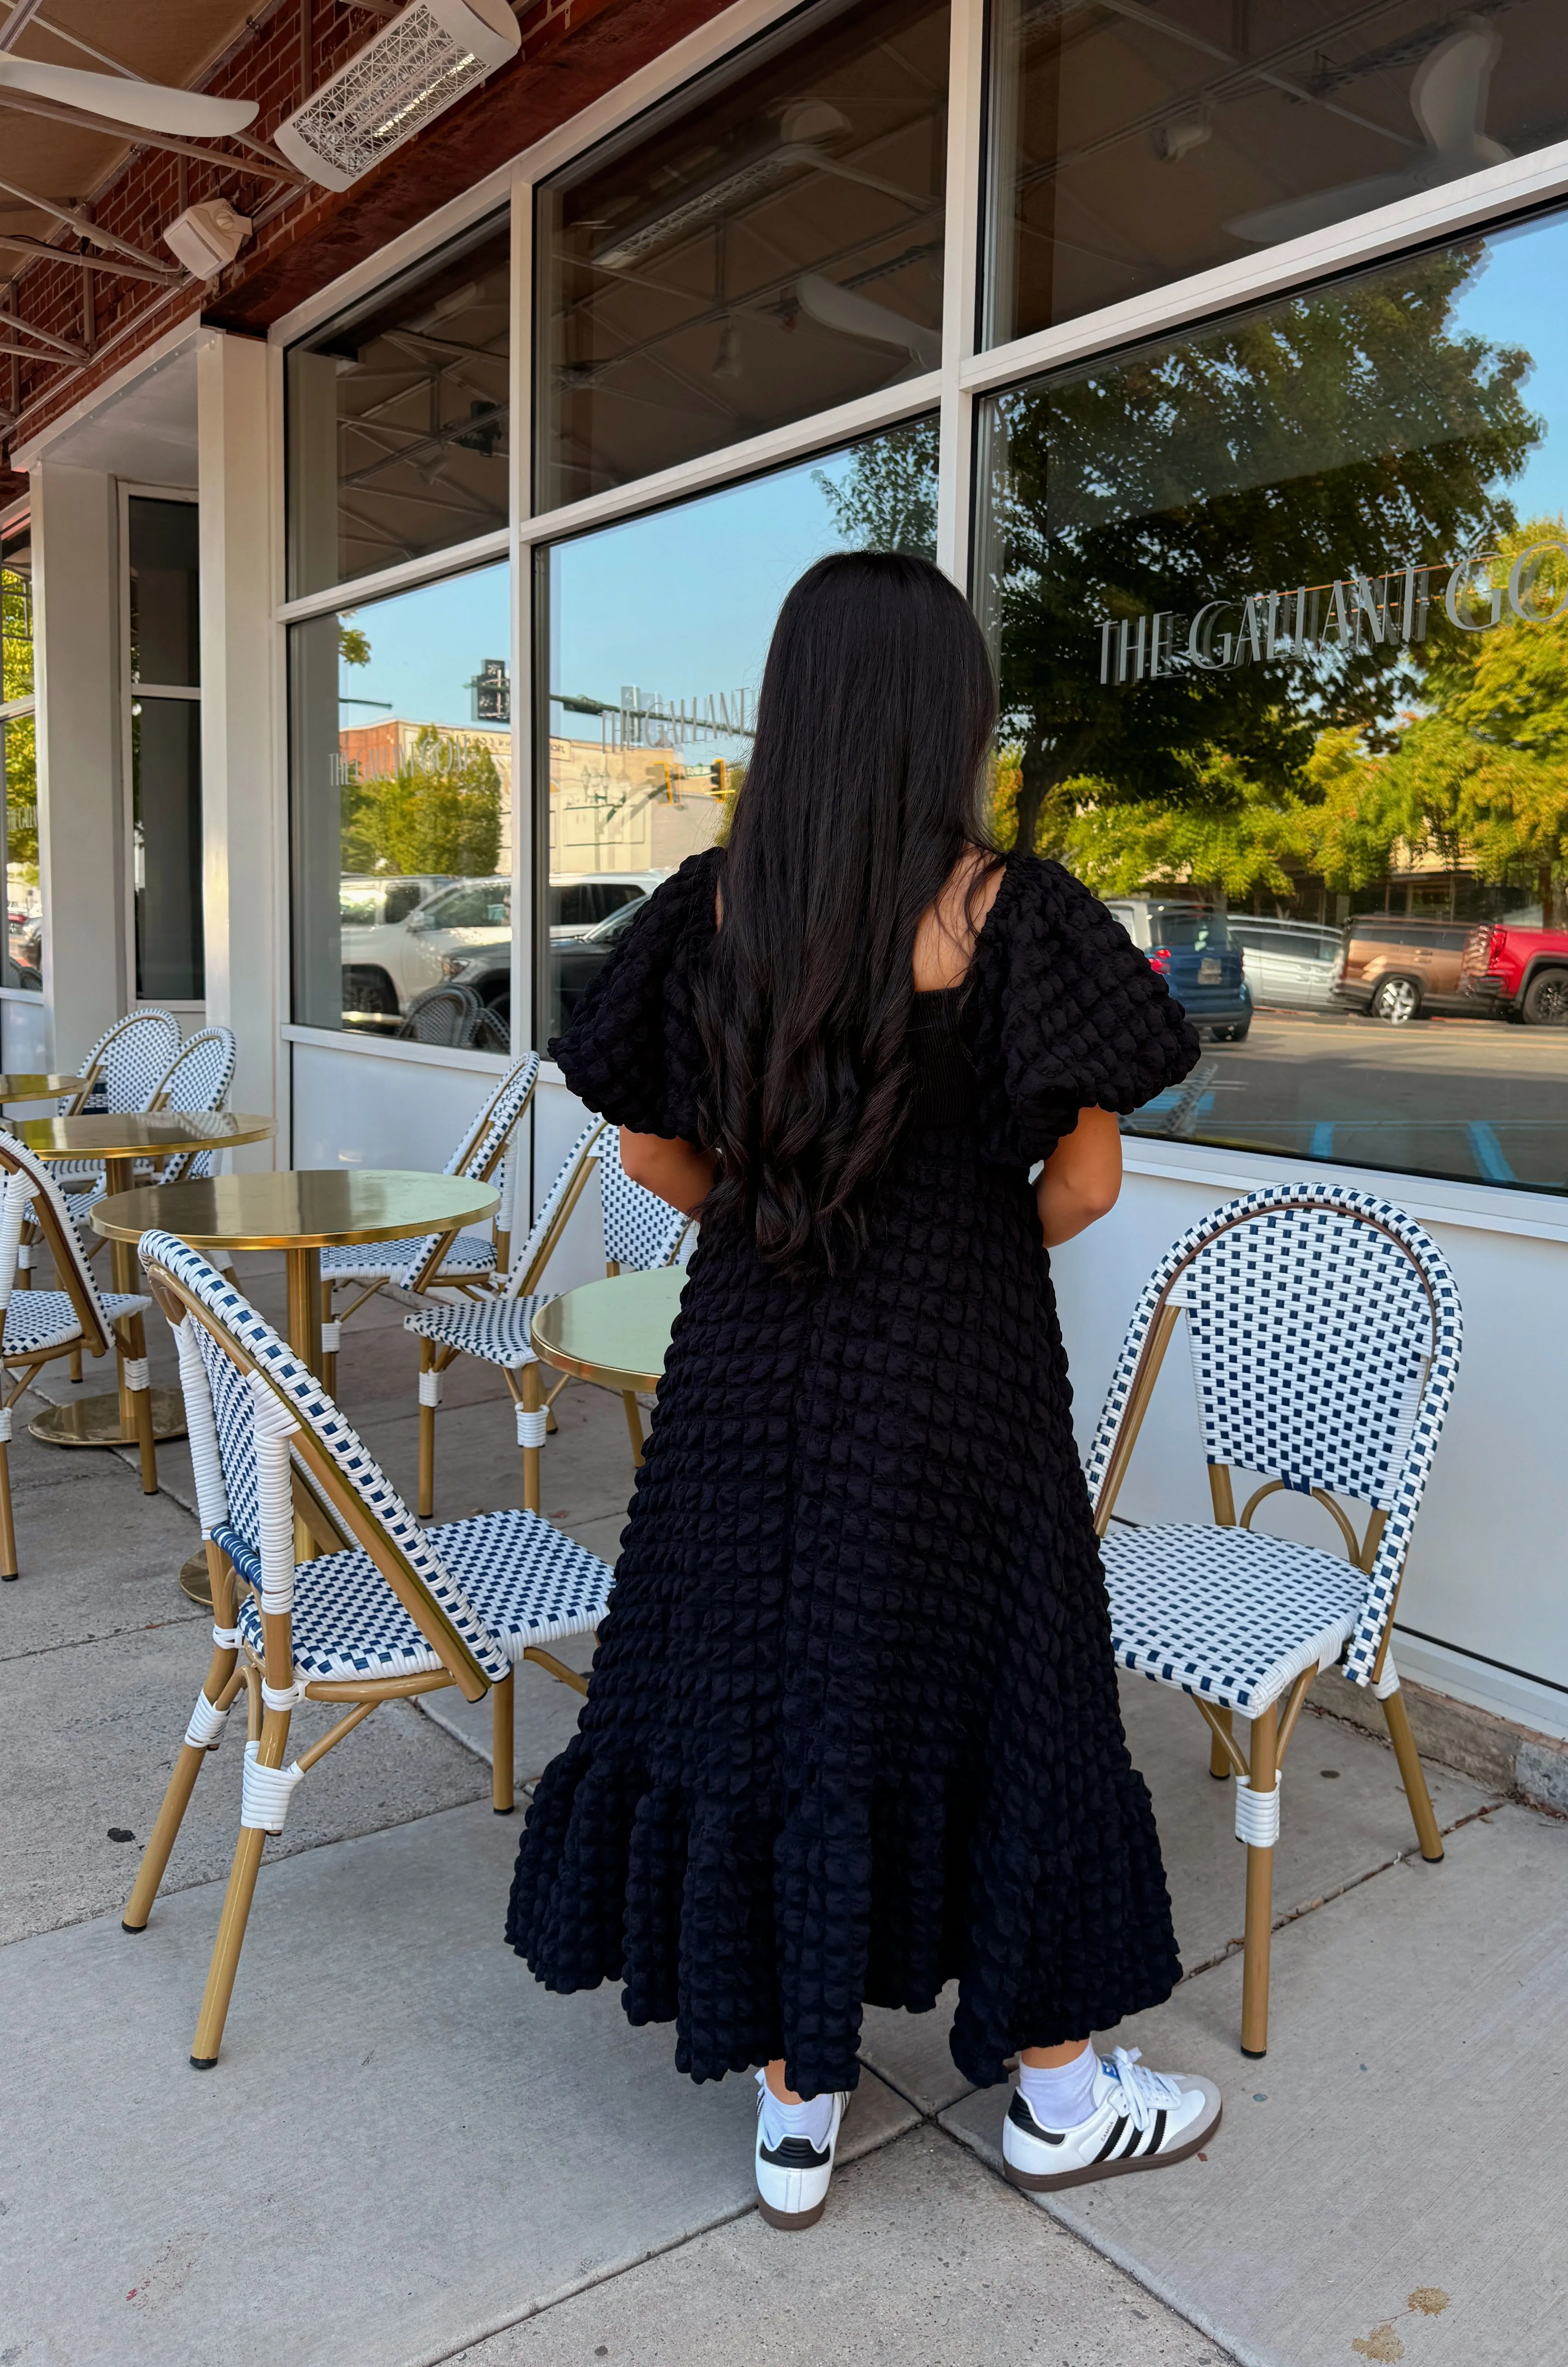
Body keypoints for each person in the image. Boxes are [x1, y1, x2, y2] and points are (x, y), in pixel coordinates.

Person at [508, 551, 1220, 2231]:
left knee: (763, 1686)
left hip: (750, 1374)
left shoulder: (712, 905)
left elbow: (652, 1158)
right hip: (963, 1376)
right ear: (949, 715)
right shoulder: (1019, 915)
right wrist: (959, 1240)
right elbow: (1091, 1188)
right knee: (1006, 1695)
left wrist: (782, 1225)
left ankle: (792, 2107)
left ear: (795, 708)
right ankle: (1055, 2091)